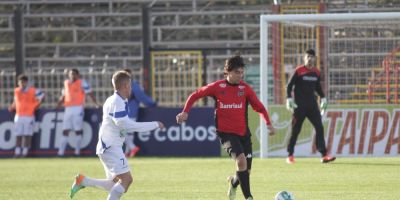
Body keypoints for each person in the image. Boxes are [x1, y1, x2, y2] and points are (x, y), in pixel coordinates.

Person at [176, 55, 275, 200]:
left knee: (245, 171)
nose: (240, 75)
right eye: (237, 72)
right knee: (241, 161)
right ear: (227, 72)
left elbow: (259, 107)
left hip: (243, 134)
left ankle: (233, 183)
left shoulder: (245, 89)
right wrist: (185, 111)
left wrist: (269, 124)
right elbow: (195, 95)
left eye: (242, 72)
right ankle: (249, 197)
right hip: (226, 133)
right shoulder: (217, 87)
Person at [69, 70, 165, 200]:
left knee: (114, 183)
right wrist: (154, 124)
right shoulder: (117, 102)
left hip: (109, 146)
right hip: (110, 147)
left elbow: (121, 125)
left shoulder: (115, 100)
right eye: (130, 86)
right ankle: (83, 181)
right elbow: (125, 125)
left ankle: (83, 181)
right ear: (125, 86)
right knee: (127, 180)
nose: (131, 89)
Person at [285, 49, 336, 164]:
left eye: (312, 57)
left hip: (312, 106)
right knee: (295, 130)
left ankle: (324, 154)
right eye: (307, 56)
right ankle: (290, 155)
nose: (309, 59)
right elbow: (289, 85)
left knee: (319, 127)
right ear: (304, 58)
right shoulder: (298, 71)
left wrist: (323, 98)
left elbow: (317, 87)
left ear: (315, 59)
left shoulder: (316, 72)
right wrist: (288, 98)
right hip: (299, 107)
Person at [56, 68, 101, 157]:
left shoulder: (82, 82)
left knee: (78, 130)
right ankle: (60, 153)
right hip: (68, 108)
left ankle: (77, 152)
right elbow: (64, 96)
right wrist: (58, 105)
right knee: (65, 130)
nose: (72, 76)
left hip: (78, 108)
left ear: (77, 75)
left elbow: (90, 93)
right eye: (71, 74)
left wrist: (96, 103)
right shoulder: (66, 83)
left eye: (74, 74)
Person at [122, 68, 157, 157]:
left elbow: (142, 97)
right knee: (128, 134)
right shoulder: (123, 86)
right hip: (125, 113)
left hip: (131, 113)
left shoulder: (134, 86)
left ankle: (133, 148)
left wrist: (152, 103)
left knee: (121, 132)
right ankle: (127, 152)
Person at [8, 74, 44, 157]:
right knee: (18, 134)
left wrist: (37, 105)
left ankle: (24, 153)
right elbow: (15, 101)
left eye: (23, 82)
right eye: (20, 82)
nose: (22, 84)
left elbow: (42, 96)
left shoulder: (32, 90)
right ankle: (17, 153)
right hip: (18, 115)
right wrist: (12, 106)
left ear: (26, 82)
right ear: (18, 83)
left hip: (29, 116)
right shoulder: (16, 90)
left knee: (27, 135)